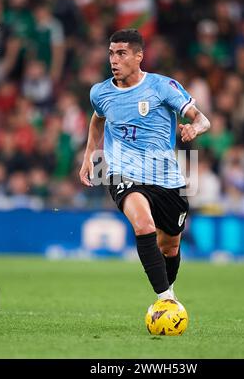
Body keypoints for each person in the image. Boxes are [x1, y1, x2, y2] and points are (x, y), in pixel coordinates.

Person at [80, 29, 210, 301]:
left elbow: (202, 119)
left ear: (139, 56)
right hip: (120, 171)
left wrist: (194, 130)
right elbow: (98, 118)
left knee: (170, 246)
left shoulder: (162, 87)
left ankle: (168, 288)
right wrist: (90, 153)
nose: (114, 60)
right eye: (111, 53)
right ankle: (165, 299)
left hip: (166, 177)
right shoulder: (100, 92)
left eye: (122, 53)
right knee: (143, 224)